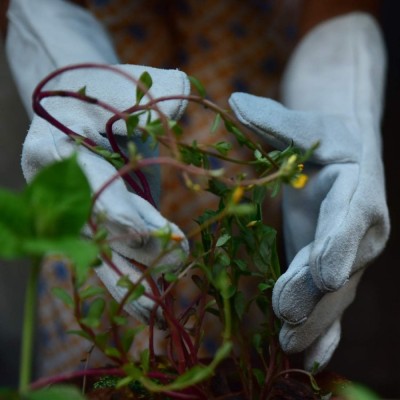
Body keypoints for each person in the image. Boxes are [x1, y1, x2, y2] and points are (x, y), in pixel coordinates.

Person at [2, 0, 389, 380]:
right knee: (103, 297)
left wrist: (340, 85)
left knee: (248, 343)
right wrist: (57, 59)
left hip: (260, 106)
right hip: (103, 124)